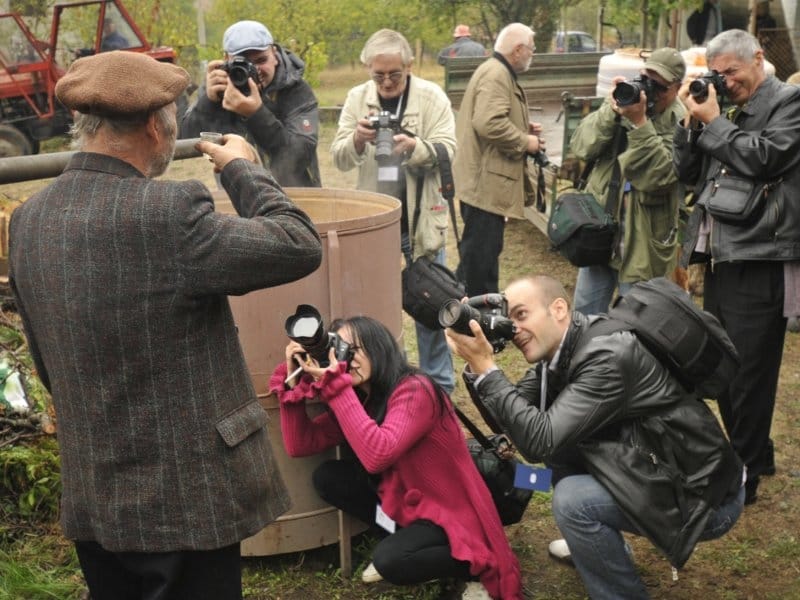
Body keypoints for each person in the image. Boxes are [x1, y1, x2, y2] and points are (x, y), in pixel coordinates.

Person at [8, 50, 323, 600]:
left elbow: (47, 361)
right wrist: (244, 168)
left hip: (96, 498)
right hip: (187, 506)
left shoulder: (29, 221)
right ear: (157, 126)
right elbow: (297, 243)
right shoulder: (169, 214)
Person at [446, 275, 745, 600]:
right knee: (560, 456)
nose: (513, 328)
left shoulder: (607, 358)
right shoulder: (561, 350)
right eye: (508, 318)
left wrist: (488, 368)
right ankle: (598, 547)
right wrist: (477, 369)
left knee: (573, 501)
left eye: (521, 315)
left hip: (702, 499)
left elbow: (537, 441)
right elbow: (510, 423)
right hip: (656, 470)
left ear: (558, 309)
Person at [269, 315, 522, 600]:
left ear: (380, 347)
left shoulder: (415, 389)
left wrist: (337, 389)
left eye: (356, 349)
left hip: (447, 510)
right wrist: (291, 389)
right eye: (340, 349)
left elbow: (378, 454)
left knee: (391, 561)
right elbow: (300, 445)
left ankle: (472, 567)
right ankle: (404, 538)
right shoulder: (362, 398)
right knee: (329, 478)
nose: (348, 359)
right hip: (405, 502)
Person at [674, 29, 800, 504]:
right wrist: (692, 122)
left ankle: (743, 478)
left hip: (761, 255)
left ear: (759, 59)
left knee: (751, 374)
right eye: (718, 73)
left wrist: (716, 122)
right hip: (722, 255)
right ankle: (753, 455)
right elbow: (686, 173)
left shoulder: (790, 102)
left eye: (732, 71)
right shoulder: (722, 109)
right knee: (724, 365)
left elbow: (764, 158)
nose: (726, 82)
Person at [330, 29, 456, 393]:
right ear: (368, 69)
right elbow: (338, 157)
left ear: (409, 66)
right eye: (378, 75)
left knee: (431, 309)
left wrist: (415, 146)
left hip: (420, 222)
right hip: (374, 223)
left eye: (394, 75)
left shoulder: (432, 98)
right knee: (373, 311)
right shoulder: (357, 98)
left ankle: (439, 391)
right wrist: (357, 139)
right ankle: (384, 389)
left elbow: (450, 149)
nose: (386, 82)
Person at [569, 48, 687, 316]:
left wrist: (640, 123)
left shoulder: (681, 122)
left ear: (677, 88)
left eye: (660, 86)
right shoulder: (623, 103)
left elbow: (660, 175)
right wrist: (609, 114)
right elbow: (580, 147)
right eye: (646, 79)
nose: (650, 91)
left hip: (643, 241)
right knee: (586, 317)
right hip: (602, 229)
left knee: (635, 324)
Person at [453, 23, 545, 296]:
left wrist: (522, 128)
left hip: (484, 184)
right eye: (532, 50)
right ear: (517, 50)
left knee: (482, 257)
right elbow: (488, 123)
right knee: (479, 267)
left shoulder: (496, 71)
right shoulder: (496, 75)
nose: (533, 55)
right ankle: (473, 322)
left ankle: (472, 314)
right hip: (484, 187)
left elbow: (493, 120)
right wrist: (525, 141)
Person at [181, 20, 321, 187]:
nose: (254, 69)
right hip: (241, 195)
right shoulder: (219, 88)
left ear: (274, 55)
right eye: (244, 63)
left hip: (296, 193)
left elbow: (298, 156)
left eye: (261, 60)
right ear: (226, 59)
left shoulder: (295, 89)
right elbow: (186, 140)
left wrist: (256, 114)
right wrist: (208, 103)